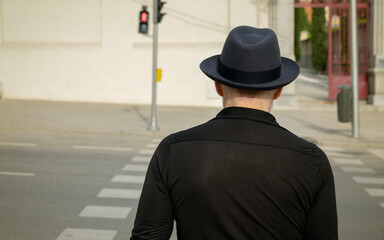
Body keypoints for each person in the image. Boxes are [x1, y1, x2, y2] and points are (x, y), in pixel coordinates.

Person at [130, 26, 338, 240]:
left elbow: (147, 236)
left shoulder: (174, 150)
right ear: (278, 90)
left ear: (218, 85)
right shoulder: (312, 162)